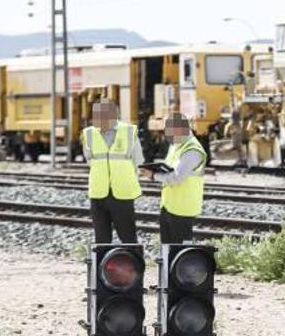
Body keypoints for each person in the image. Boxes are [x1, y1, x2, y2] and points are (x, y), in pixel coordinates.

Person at [81, 100, 143, 244]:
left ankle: (134, 265)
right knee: (101, 239)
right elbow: (89, 159)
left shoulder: (128, 131)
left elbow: (138, 161)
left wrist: (123, 176)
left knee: (128, 237)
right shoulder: (88, 134)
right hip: (98, 194)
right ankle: (101, 266)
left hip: (122, 193)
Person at [140, 113, 207, 244]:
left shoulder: (192, 150)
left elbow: (177, 177)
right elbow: (168, 168)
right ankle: (167, 265)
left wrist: (153, 175)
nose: (167, 135)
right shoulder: (176, 145)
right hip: (169, 206)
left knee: (180, 251)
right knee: (167, 248)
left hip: (183, 208)